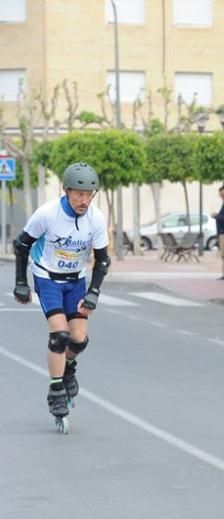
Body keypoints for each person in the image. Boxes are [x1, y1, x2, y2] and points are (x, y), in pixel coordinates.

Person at [12, 162, 110, 432]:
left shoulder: (96, 219)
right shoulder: (47, 214)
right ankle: (56, 390)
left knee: (79, 338)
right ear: (66, 191)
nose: (84, 200)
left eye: (89, 195)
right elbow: (21, 245)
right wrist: (21, 282)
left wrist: (93, 293)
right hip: (47, 277)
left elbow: (102, 261)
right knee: (60, 335)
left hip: (76, 281)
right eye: (79, 194)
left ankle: (67, 369)